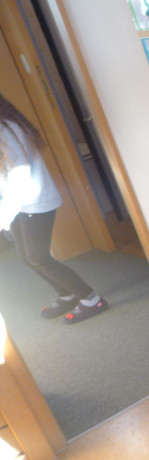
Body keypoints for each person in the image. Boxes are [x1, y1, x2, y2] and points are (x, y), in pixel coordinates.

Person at [0, 93, 108, 323]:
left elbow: (20, 173)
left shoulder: (7, 130)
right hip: (20, 204)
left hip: (35, 202)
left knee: (39, 258)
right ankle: (67, 294)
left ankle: (91, 299)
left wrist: (4, 216)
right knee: (26, 257)